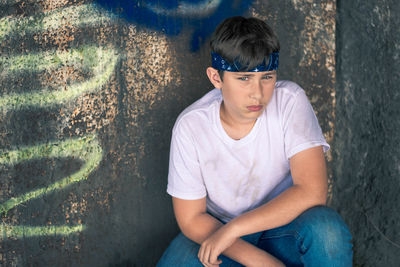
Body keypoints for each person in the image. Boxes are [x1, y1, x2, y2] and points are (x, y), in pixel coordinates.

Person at [157, 16, 353, 267]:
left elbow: (312, 192)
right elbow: (192, 218)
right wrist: (261, 261)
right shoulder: (191, 126)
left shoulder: (289, 101)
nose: (257, 93)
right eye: (243, 78)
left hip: (282, 227)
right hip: (218, 230)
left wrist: (236, 228)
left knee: (327, 233)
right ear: (216, 78)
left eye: (267, 77)